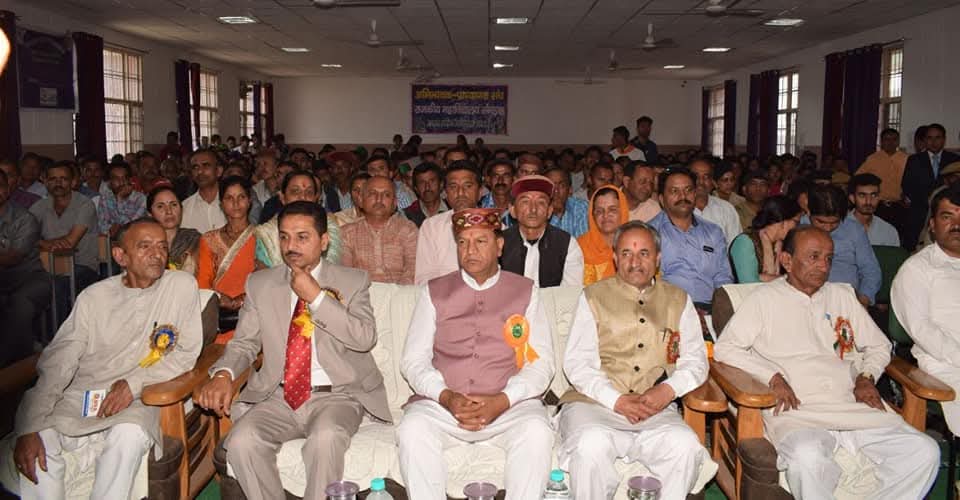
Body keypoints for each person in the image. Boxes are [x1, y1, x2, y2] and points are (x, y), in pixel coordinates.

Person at [714, 226, 940, 500]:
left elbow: (879, 345)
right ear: (787, 260)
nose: (823, 266)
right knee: (806, 457)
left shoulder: (842, 295)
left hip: (851, 403)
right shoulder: (763, 299)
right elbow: (726, 348)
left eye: (829, 258)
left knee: (924, 452)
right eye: (814, 257)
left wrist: (866, 376)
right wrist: (772, 376)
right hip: (798, 410)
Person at [197, 201, 390, 500]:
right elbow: (245, 343)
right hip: (279, 396)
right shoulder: (260, 284)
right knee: (242, 441)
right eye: (284, 237)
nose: (291, 246)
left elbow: (364, 338)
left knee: (325, 439)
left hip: (337, 395)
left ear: (323, 242)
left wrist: (316, 298)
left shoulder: (353, 280)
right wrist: (224, 374)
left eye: (302, 237)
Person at [12, 218, 203, 499]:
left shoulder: (180, 286)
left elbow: (186, 354)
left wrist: (133, 384)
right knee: (39, 440)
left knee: (129, 434)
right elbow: (59, 361)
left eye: (162, 246)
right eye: (145, 246)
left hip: (138, 399)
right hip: (81, 398)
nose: (157, 254)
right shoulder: (93, 297)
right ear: (120, 256)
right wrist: (30, 425)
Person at [397, 207, 556, 500]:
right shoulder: (434, 291)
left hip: (508, 407)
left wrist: (503, 400)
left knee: (537, 432)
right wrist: (446, 397)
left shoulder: (525, 291)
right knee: (412, 429)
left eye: (480, 241)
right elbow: (413, 360)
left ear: (499, 246)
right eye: (463, 242)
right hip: (444, 406)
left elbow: (541, 364)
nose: (470, 250)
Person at [559, 220, 712, 499]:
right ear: (615, 258)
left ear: (658, 258)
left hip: (654, 406)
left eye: (644, 253)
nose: (635, 262)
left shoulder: (678, 299)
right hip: (595, 404)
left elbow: (696, 361)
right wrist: (615, 399)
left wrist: (667, 391)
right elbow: (577, 363)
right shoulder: (593, 296)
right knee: (590, 445)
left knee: (685, 446)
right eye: (626, 253)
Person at [893, 185, 960, 436]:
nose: (956, 225)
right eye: (947, 217)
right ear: (932, 224)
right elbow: (922, 329)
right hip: (946, 365)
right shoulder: (917, 270)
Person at [649, 168, 733, 310]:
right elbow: (649, 283)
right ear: (662, 199)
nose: (683, 196)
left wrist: (720, 310)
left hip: (710, 309)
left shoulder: (713, 232)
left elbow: (723, 278)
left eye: (688, 190)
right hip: (667, 310)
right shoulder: (649, 233)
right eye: (674, 191)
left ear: (694, 194)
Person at [196, 176, 260, 342]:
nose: (236, 203)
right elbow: (203, 283)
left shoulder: (262, 237)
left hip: (254, 313)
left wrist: (242, 300)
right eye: (229, 198)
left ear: (249, 201)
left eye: (241, 197)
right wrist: (221, 299)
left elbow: (266, 279)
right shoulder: (209, 239)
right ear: (221, 204)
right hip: (219, 316)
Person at [0, 169, 50, 367]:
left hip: (29, 279)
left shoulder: (24, 218)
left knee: (20, 304)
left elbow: (13, 257)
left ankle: (16, 367)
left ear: (7, 189)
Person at [29, 161, 100, 293]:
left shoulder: (85, 204)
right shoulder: (40, 206)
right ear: (46, 183)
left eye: (63, 179)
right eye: (53, 179)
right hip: (49, 264)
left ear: (73, 182)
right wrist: (43, 243)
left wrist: (40, 243)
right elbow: (25, 236)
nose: (58, 183)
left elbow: (69, 243)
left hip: (82, 265)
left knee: (56, 284)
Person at [501, 175, 583, 287]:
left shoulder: (567, 244)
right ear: (512, 210)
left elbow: (570, 291)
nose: (533, 209)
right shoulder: (499, 243)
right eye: (525, 202)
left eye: (540, 202)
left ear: (549, 210)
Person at [806, 185, 881, 306]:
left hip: (846, 302)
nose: (828, 228)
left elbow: (871, 271)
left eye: (834, 222)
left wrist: (862, 301)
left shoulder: (854, 230)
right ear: (809, 212)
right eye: (821, 222)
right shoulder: (799, 230)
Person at [255, 170, 343, 268]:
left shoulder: (330, 227)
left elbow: (331, 268)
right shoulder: (265, 233)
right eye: (295, 191)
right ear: (282, 197)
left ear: (316, 199)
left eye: (309, 192)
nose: (303, 197)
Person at [340, 176, 418, 285]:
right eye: (372, 194)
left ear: (395, 203)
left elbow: (412, 270)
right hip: (360, 293)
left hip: (402, 293)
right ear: (361, 200)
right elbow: (345, 274)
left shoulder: (408, 230)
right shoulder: (346, 233)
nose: (379, 199)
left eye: (386, 195)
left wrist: (396, 293)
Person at [414, 160, 482, 285]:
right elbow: (423, 279)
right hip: (443, 295)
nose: (460, 193)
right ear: (445, 192)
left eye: (467, 186)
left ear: (480, 191)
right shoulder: (431, 227)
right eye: (453, 187)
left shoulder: (495, 225)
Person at [903, 123, 960, 249]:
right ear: (925, 140)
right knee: (917, 248)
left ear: (944, 140)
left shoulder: (954, 160)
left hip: (946, 212)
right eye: (929, 138)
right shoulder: (914, 160)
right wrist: (925, 200)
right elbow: (907, 185)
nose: (933, 142)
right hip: (920, 212)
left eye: (937, 137)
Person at [729, 196, 802, 283]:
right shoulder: (745, 242)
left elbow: (797, 275)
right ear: (782, 220)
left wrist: (764, 277)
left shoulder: (782, 244)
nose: (797, 227)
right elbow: (749, 282)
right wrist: (784, 278)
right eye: (796, 222)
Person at [856, 128, 908, 231]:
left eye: (894, 139)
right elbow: (858, 178)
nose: (890, 142)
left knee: (898, 234)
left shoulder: (907, 159)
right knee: (876, 232)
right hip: (878, 205)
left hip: (899, 205)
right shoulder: (872, 159)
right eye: (887, 139)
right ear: (881, 142)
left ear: (898, 141)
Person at [578, 185, 629, 286]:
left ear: (623, 211)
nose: (605, 215)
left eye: (612, 210)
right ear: (592, 215)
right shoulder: (579, 247)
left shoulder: (636, 244)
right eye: (599, 211)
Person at [148, 186, 200, 275]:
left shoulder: (194, 239)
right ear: (150, 214)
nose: (169, 211)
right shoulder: (144, 244)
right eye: (160, 206)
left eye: (174, 205)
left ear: (181, 209)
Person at [690, 159, 742, 244]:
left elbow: (736, 245)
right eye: (696, 177)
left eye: (706, 177)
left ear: (712, 182)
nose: (701, 182)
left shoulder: (727, 209)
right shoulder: (678, 209)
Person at [180, 149, 226, 234]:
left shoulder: (234, 204)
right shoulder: (184, 208)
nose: (200, 171)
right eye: (195, 167)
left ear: (219, 171)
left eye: (206, 166)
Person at [847, 174, 900, 247]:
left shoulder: (888, 231)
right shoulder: (839, 227)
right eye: (862, 195)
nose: (868, 201)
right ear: (852, 198)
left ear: (879, 197)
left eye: (873, 195)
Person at [97, 163, 147, 238]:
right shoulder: (105, 198)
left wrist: (120, 199)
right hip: (111, 241)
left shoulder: (140, 199)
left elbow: (131, 227)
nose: (121, 182)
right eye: (116, 178)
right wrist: (112, 229)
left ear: (129, 180)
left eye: (125, 178)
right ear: (109, 182)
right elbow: (102, 226)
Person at [545, 167, 589, 238]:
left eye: (561, 185)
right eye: (551, 186)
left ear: (570, 190)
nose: (556, 191)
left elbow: (583, 242)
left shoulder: (581, 208)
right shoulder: (536, 210)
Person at [404, 162, 448, 228]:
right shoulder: (407, 216)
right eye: (422, 183)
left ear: (441, 184)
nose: (427, 187)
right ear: (416, 188)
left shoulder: (452, 208)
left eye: (432, 181)